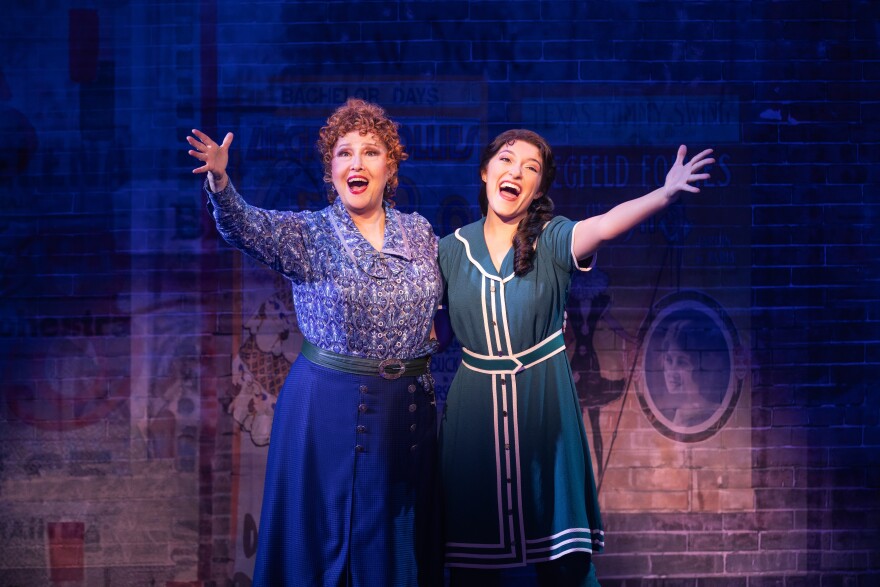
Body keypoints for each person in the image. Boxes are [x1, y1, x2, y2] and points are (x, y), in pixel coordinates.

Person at [437, 129, 713, 586]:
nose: (516, 172)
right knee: (473, 562)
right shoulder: (450, 250)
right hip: (474, 414)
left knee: (564, 559)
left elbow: (605, 224)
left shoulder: (552, 238)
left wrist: (663, 194)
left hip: (544, 405)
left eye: (531, 168)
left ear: (539, 188)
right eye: (506, 160)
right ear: (485, 172)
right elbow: (437, 333)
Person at [186, 98, 443, 587]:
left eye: (370, 152)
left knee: (398, 551)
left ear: (390, 166)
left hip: (407, 413)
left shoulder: (419, 231)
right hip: (330, 407)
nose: (356, 162)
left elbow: (441, 304)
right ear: (331, 169)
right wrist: (221, 181)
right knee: (323, 547)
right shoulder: (310, 233)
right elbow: (245, 226)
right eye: (344, 153)